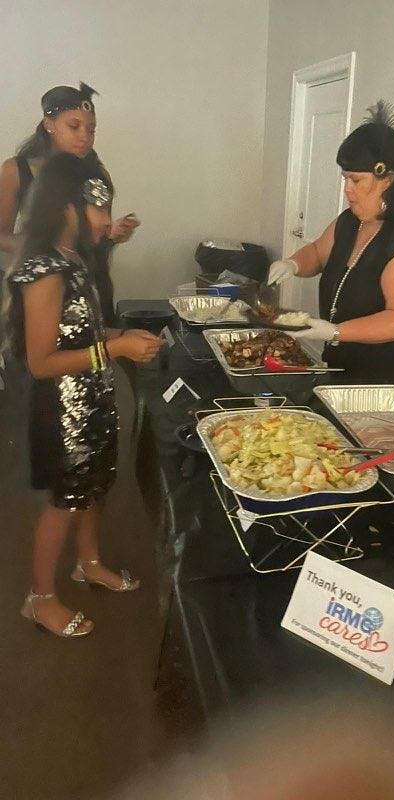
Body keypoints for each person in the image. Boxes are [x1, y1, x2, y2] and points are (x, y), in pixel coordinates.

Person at [1, 153, 163, 638]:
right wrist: (115, 347)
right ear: (69, 207)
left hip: (93, 397)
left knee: (96, 484)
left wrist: (121, 336)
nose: (107, 221)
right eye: (99, 208)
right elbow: (41, 361)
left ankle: (88, 563)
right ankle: (40, 597)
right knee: (64, 499)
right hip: (60, 408)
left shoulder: (75, 259)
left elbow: (82, 330)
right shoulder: (43, 269)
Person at [268, 101, 394, 412]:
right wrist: (292, 264)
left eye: (356, 181)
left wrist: (336, 331)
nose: (347, 189)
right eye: (345, 178)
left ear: (388, 180)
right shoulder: (350, 221)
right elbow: (318, 252)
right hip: (352, 360)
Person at [0, 82, 139, 323]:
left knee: (94, 350)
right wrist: (45, 248)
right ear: (49, 125)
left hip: (86, 285)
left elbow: (93, 237)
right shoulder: (18, 170)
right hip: (40, 286)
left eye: (92, 129)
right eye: (74, 126)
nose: (85, 137)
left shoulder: (97, 173)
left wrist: (110, 233)